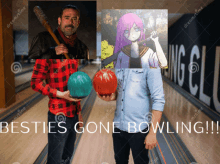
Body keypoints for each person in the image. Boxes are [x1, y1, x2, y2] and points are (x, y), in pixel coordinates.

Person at [97, 66, 165, 163]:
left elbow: (158, 100)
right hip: (118, 127)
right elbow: (120, 93)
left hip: (139, 130)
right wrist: (112, 97)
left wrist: (152, 133)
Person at [31, 59, 83, 164]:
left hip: (73, 113)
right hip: (58, 114)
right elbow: (35, 83)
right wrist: (60, 94)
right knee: (55, 160)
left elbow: (75, 85)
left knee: (67, 157)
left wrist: (79, 112)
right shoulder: (46, 52)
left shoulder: (73, 50)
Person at [102, 13, 167, 69]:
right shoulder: (122, 54)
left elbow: (163, 63)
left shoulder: (147, 52)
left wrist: (156, 41)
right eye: (127, 30)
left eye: (136, 29)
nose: (132, 33)